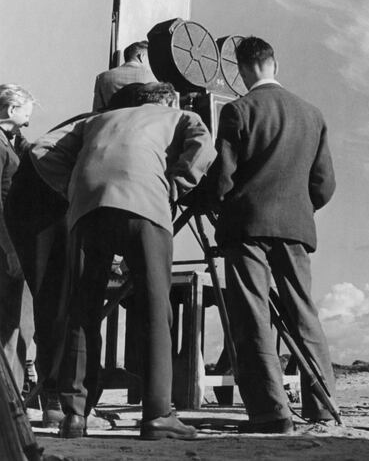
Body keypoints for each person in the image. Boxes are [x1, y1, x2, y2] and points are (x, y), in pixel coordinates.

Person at [34, 82, 216, 439]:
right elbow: (202, 146)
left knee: (82, 310)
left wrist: (71, 187)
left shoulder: (95, 120)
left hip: (88, 207)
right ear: (166, 100)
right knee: (154, 308)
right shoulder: (178, 114)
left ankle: (74, 415)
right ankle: (157, 415)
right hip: (145, 202)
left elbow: (41, 148)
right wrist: (178, 183)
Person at [206, 36, 336, 434]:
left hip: (247, 227)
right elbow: (325, 185)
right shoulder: (312, 114)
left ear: (242, 70)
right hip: (295, 227)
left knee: (252, 315)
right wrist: (298, 208)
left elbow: (222, 179)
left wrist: (209, 201)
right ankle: (323, 404)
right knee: (303, 312)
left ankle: (270, 412)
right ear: (274, 64)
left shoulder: (237, 110)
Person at [5, 84, 144, 428]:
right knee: (63, 303)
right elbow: (41, 151)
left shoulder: (103, 124)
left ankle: (65, 400)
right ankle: (64, 401)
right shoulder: (104, 124)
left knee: (63, 303)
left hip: (44, 208)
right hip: (44, 211)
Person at [0, 84, 34, 390]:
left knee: (13, 326)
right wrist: (10, 250)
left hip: (9, 243)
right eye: (26, 115)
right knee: (8, 326)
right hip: (4, 245)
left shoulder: (10, 142)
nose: (28, 121)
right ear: (11, 110)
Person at [92, 41, 156, 111]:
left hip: (114, 120)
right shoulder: (155, 77)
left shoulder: (103, 77)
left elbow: (96, 111)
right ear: (142, 57)